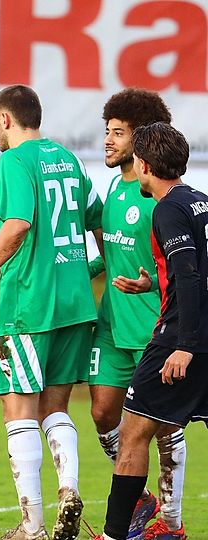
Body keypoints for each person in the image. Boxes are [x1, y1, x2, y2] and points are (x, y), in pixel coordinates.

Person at [0, 85, 102, 540]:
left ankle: (33, 525)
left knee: (19, 410)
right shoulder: (69, 159)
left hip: (29, 305)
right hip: (75, 305)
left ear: (6, 119)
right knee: (56, 407)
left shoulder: (14, 161)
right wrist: (93, 269)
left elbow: (18, 224)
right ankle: (68, 490)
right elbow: (95, 217)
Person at [94, 122, 205, 540]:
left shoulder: (167, 209)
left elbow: (190, 275)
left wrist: (185, 345)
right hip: (199, 333)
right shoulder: (200, 202)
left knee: (135, 432)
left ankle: (114, 535)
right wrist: (153, 284)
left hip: (179, 340)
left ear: (142, 163)